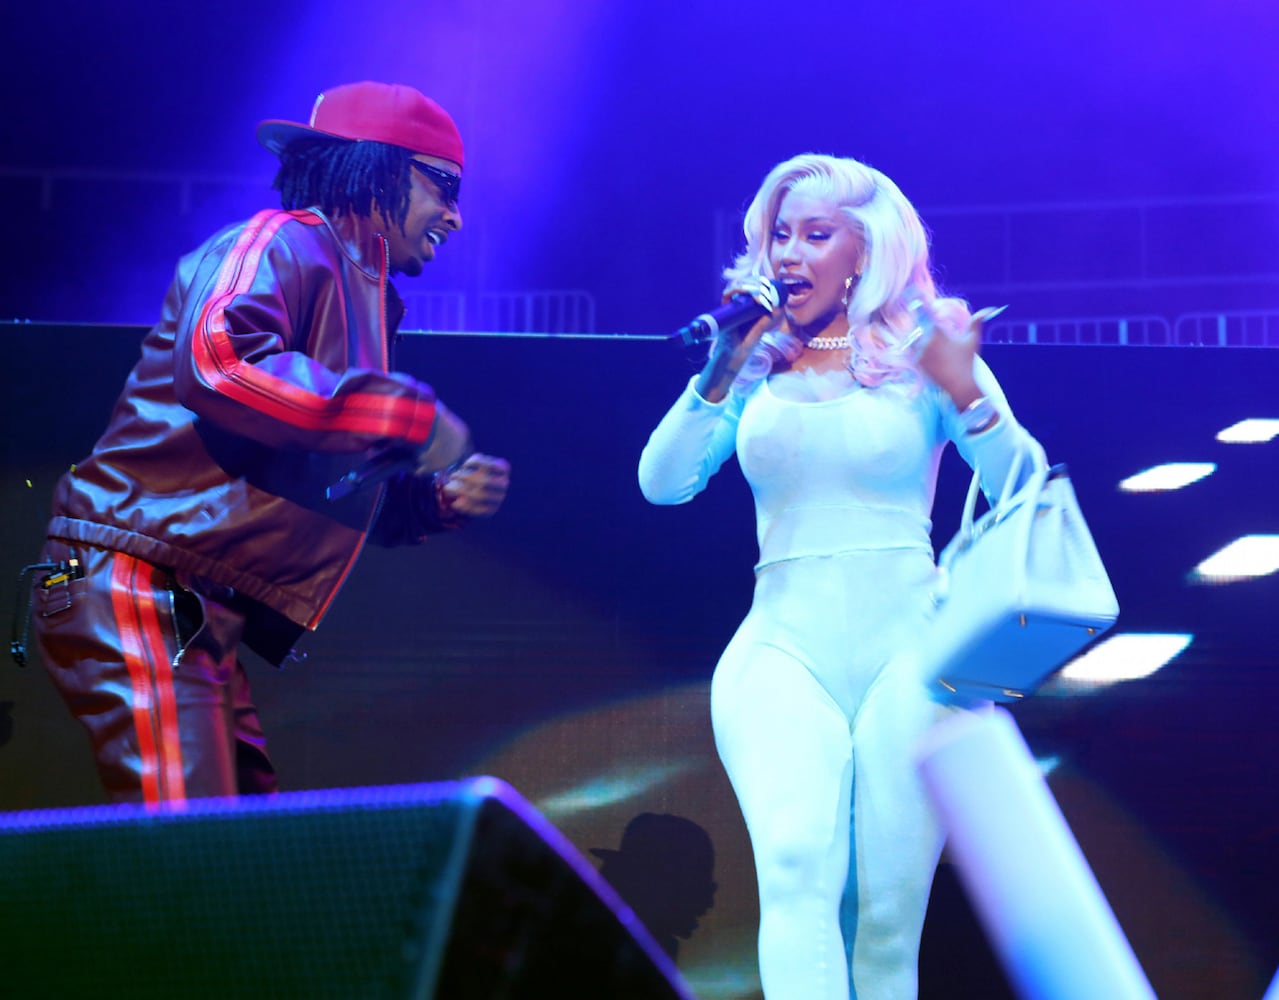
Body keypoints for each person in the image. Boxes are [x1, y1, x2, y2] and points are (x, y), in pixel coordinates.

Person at [25, 81, 510, 806]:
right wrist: (407, 417)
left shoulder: (365, 301)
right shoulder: (279, 242)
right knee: (194, 855)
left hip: (193, 598)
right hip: (141, 577)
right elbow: (222, 365)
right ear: (372, 165)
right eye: (443, 184)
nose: (456, 216)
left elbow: (321, 476)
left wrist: (433, 501)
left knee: (247, 854)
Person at [637, 153, 1045, 999]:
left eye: (815, 234)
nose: (788, 253)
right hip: (781, 645)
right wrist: (718, 372)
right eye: (779, 234)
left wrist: (966, 392)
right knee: (792, 872)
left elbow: (1022, 482)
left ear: (867, 251)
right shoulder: (753, 365)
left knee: (886, 917)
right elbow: (661, 483)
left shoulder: (921, 350)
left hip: (912, 652)